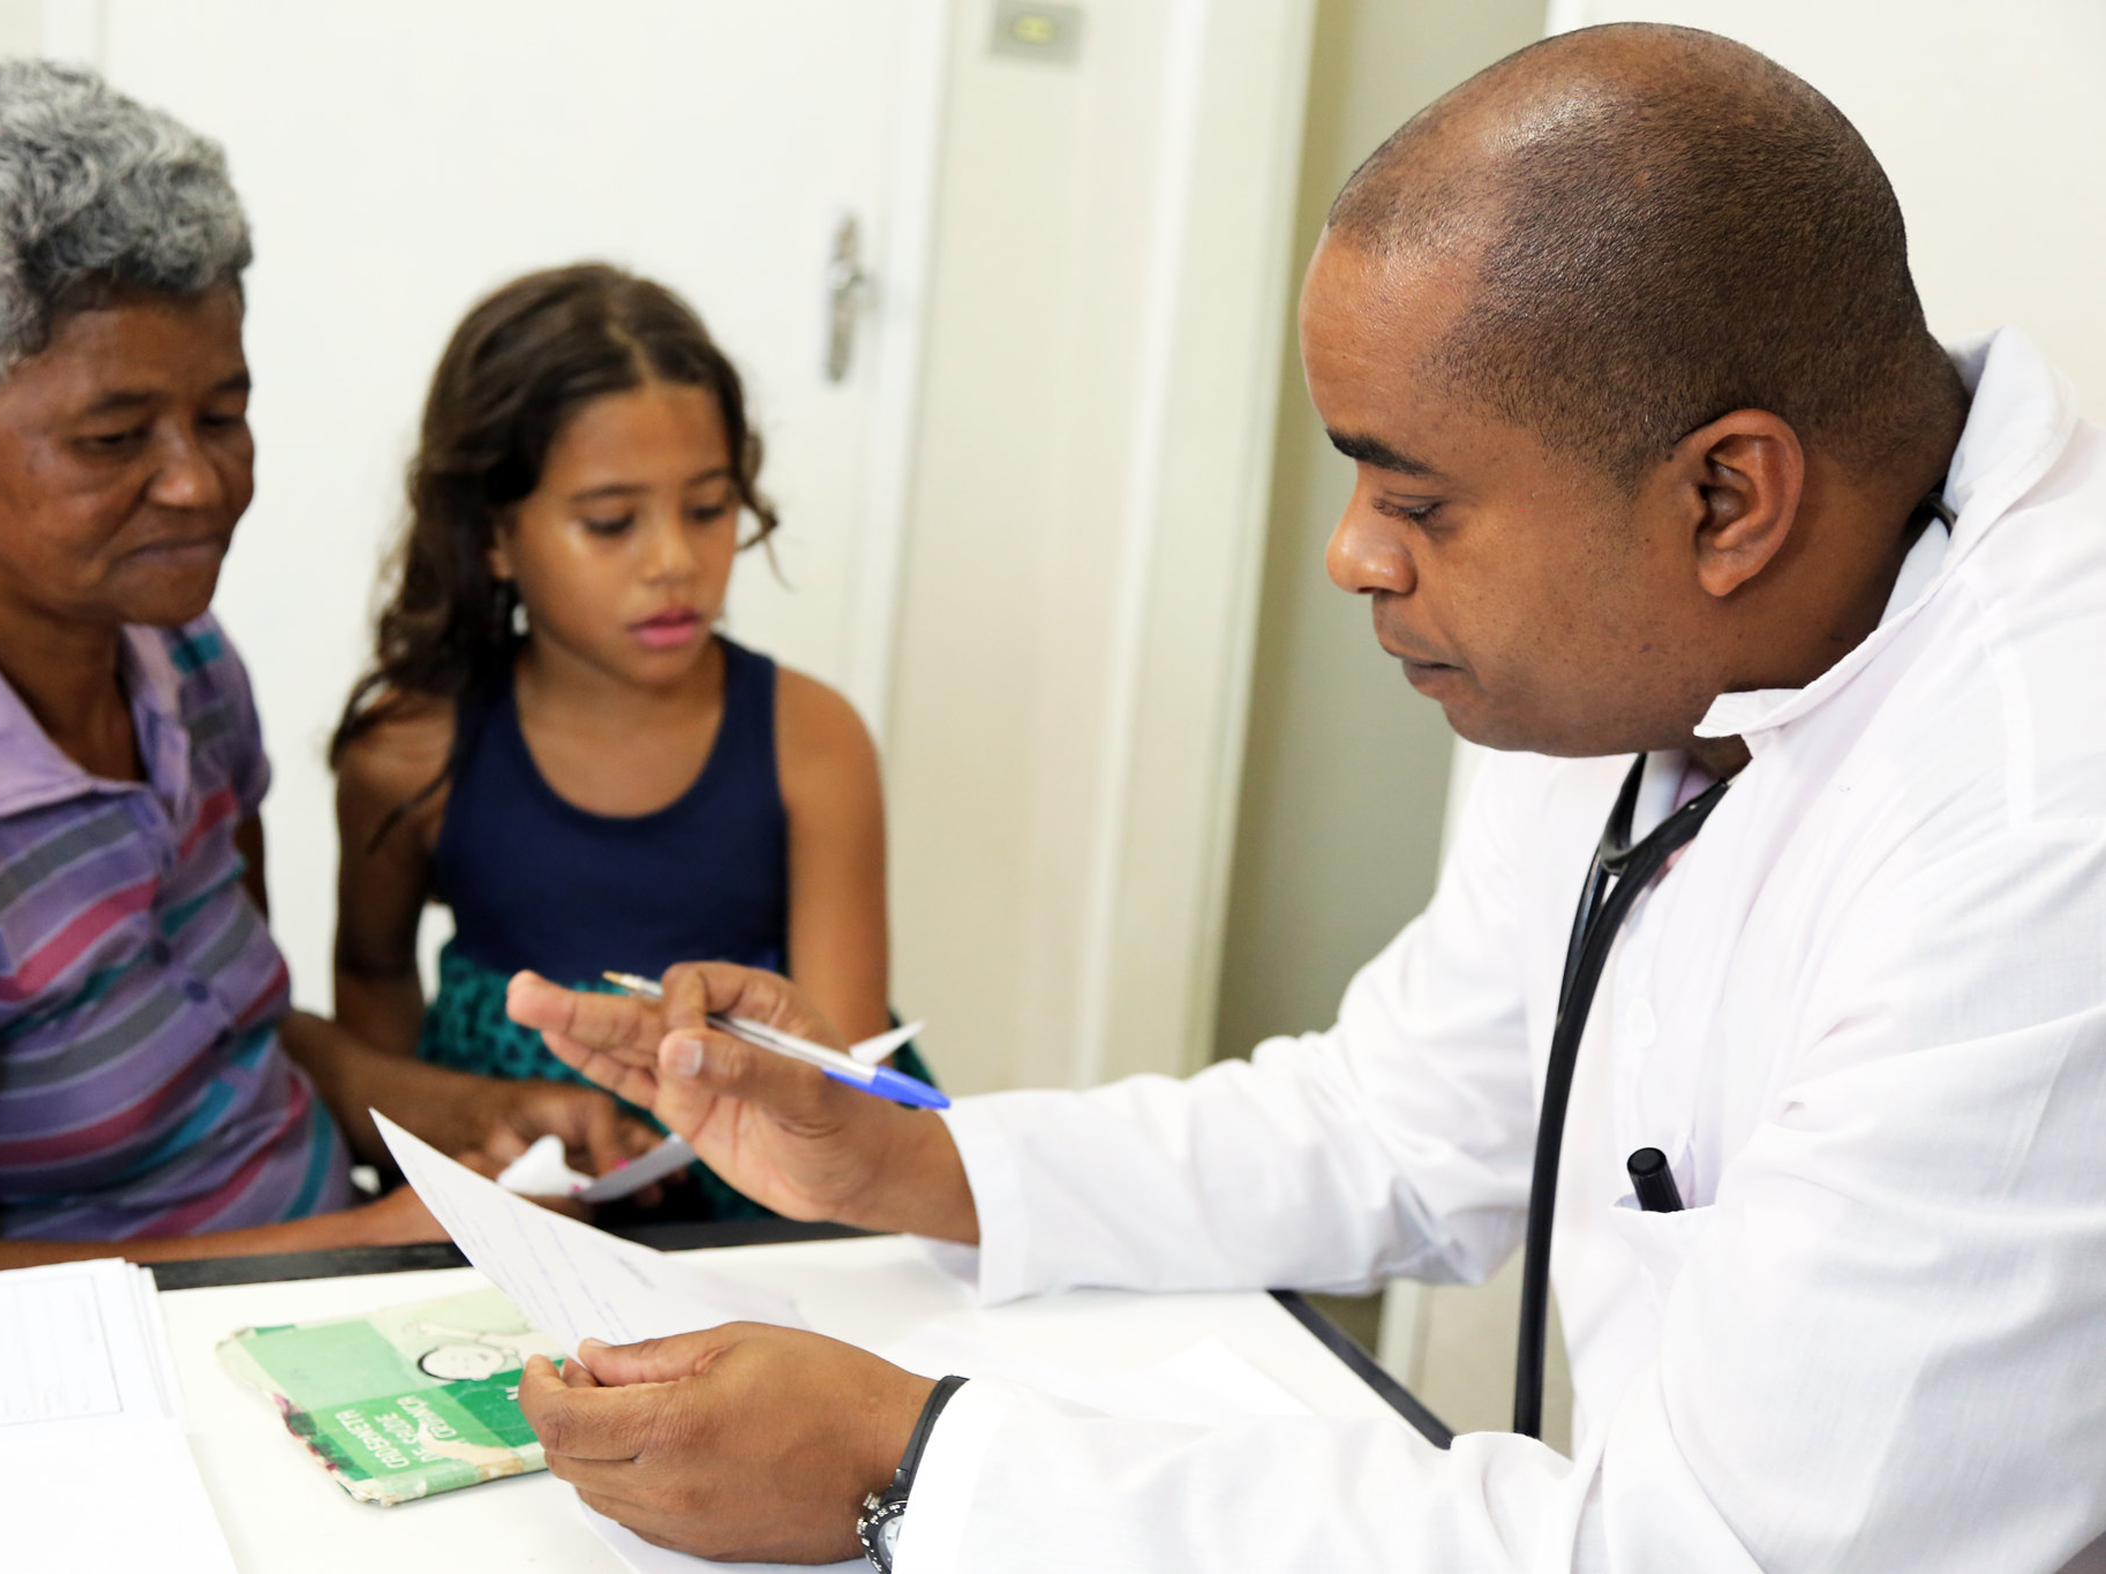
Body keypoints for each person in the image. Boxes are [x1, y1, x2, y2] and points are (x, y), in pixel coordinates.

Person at [496, 24, 2106, 1573]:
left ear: (1722, 496)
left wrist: (907, 1466)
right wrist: (901, 1164)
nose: (1352, 554)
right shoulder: (1662, 662)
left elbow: (1712, 1557)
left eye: (1415, 499)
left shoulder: (2038, 838)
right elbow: (1400, 1116)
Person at [0, 62, 648, 1283]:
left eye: (223, 413)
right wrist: (365, 1246)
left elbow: (241, 1035)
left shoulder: (176, 648)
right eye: (114, 438)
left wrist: (468, 1115)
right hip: (125, 1382)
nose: (200, 482)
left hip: (333, 1267)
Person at [326, 265, 929, 1220]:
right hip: (523, 1202)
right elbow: (372, 972)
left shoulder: (812, 741)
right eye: (611, 522)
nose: (674, 562)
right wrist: (437, 1166)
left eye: (707, 507)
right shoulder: (408, 753)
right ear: (493, 535)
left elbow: (843, 1073)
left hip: (781, 1218)